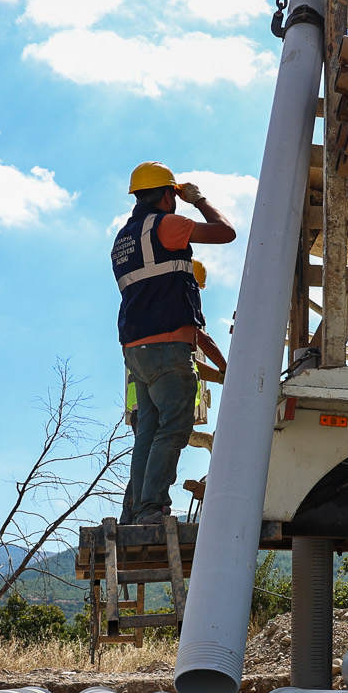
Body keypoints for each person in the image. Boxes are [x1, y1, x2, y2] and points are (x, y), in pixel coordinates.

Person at [112, 162, 236, 524]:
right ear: (169, 195)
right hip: (168, 347)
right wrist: (199, 200)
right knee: (175, 427)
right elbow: (225, 232)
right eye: (175, 195)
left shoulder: (123, 238)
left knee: (147, 434)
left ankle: (136, 512)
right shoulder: (166, 225)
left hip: (136, 351)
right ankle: (151, 507)